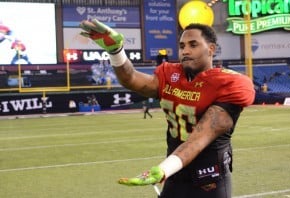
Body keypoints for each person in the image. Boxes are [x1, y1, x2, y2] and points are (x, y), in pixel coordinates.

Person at [80, 19, 255, 198]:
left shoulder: (230, 83)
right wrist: (116, 51)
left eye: (193, 45)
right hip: (175, 174)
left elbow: (199, 139)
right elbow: (131, 78)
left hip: (209, 177)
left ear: (211, 49)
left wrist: (163, 169)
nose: (185, 51)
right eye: (182, 46)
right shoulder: (170, 75)